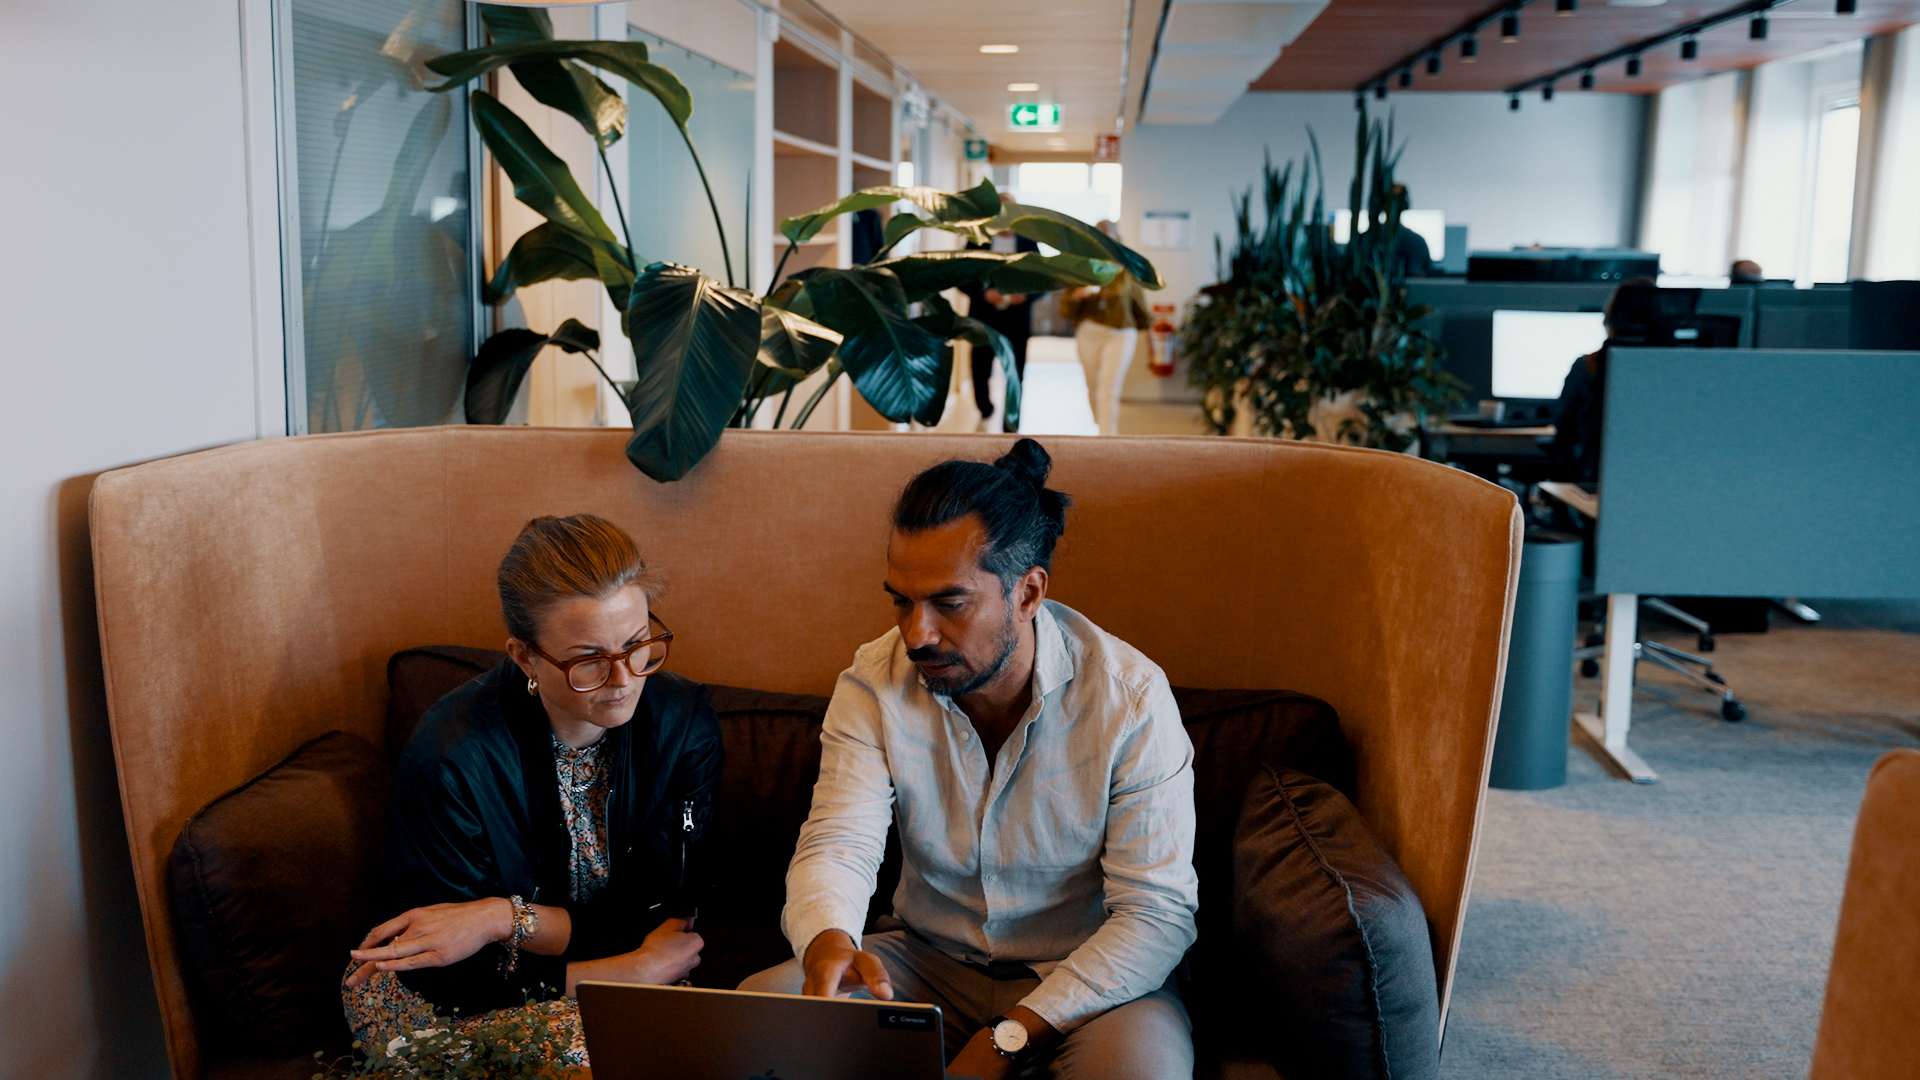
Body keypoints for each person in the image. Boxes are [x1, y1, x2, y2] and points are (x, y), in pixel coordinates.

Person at [740, 439, 1199, 1080]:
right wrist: (827, 941)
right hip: (925, 962)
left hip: (1087, 980)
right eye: (901, 600)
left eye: (948, 603)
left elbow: (1157, 915)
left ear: (1028, 594)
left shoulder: (1131, 700)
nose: (916, 634)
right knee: (757, 1015)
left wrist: (1007, 1040)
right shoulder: (875, 682)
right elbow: (839, 841)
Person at [343, 514, 721, 1067]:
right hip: (440, 998)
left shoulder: (684, 724)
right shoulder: (451, 756)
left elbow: (667, 907)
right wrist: (624, 973)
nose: (624, 680)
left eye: (638, 644)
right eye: (589, 660)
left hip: (587, 976)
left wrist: (499, 919)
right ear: (524, 657)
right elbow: (453, 974)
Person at [1548, 277, 1656, 482]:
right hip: (1649, 477)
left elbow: (1562, 423)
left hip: (1589, 478)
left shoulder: (1589, 366)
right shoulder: (1671, 372)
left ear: (1611, 316)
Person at [1059, 221, 1154, 436]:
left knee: (1108, 388)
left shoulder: (1128, 268)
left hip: (1121, 334)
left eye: (1109, 236)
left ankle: (1106, 438)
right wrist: (1077, 295)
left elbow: (1139, 305)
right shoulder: (1082, 266)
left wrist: (1151, 338)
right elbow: (1065, 309)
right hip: (1089, 333)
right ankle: (1099, 423)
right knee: (1093, 386)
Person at [959, 196, 1041, 430]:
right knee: (979, 370)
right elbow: (959, 276)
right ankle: (985, 408)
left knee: (1015, 373)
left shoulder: (1028, 242)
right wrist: (984, 295)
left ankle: (1010, 425)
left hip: (1016, 320)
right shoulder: (977, 240)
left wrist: (1025, 296)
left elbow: (1042, 280)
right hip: (984, 318)